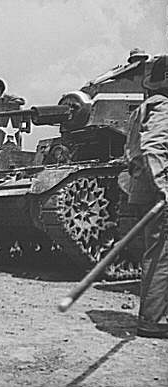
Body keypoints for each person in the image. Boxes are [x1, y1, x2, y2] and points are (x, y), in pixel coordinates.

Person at [125, 55, 168, 339]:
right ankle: (152, 321)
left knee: (156, 256)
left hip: (143, 191)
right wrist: (164, 186)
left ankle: (152, 317)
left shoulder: (140, 111)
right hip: (160, 194)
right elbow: (153, 149)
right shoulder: (164, 109)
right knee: (162, 258)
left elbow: (130, 155)